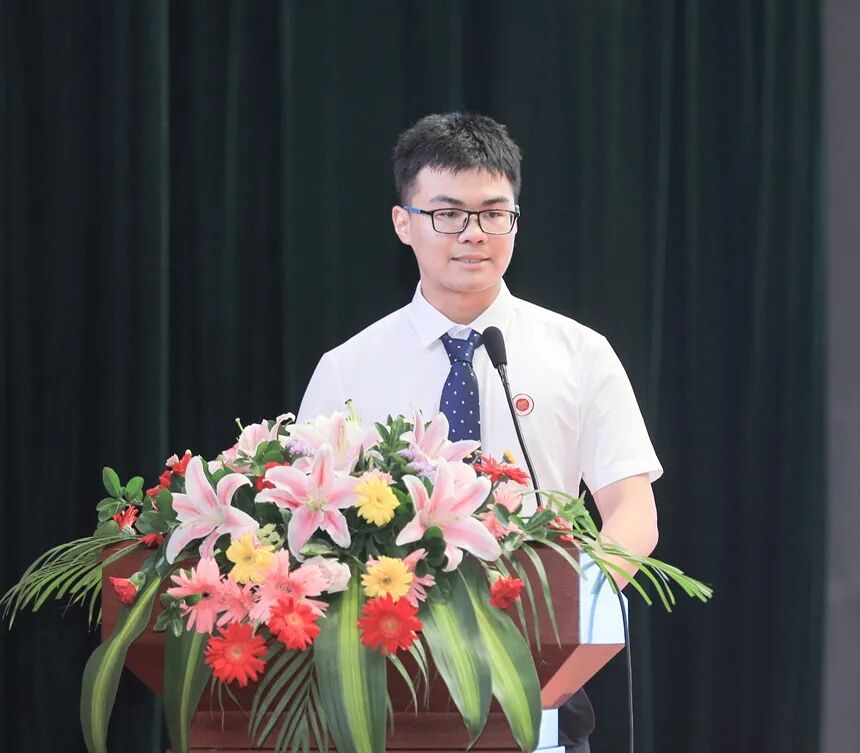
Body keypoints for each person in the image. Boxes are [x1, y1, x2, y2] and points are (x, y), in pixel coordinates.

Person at [297, 112, 662, 753]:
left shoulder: (580, 354)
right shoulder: (348, 368)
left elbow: (633, 511)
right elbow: (304, 525)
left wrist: (569, 610)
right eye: (448, 214)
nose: (473, 233)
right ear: (403, 222)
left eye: (494, 213)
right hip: (390, 673)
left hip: (538, 674)